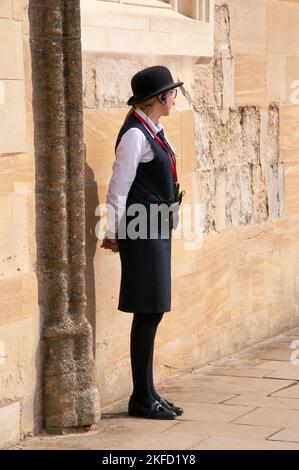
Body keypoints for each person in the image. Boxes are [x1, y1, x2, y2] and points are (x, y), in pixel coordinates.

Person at [101, 65, 185, 419]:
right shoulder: (136, 135)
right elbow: (118, 186)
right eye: (172, 93)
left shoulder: (155, 130)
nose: (174, 99)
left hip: (154, 228)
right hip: (141, 229)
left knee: (153, 309)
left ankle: (148, 392)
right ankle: (140, 398)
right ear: (160, 97)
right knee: (147, 310)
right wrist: (112, 231)